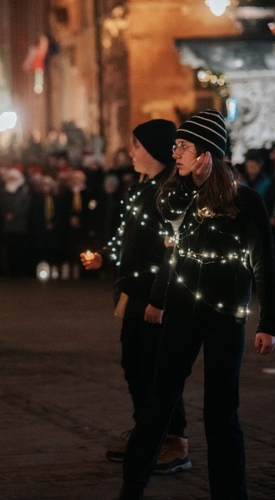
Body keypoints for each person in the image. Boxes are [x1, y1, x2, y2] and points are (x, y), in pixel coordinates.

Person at [119, 109, 275, 499]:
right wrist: (157, 298)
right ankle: (131, 489)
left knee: (222, 415)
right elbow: (169, 250)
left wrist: (269, 321)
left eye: (183, 146)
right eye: (174, 146)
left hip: (225, 319)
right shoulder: (175, 193)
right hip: (182, 314)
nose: (175, 153)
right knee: (158, 404)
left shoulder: (246, 202)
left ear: (206, 153)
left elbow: (265, 264)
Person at [82, 119, 190, 473]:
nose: (131, 153)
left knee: (160, 369)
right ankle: (146, 432)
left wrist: (160, 299)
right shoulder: (136, 188)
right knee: (135, 364)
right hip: (131, 291)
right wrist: (104, 256)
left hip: (156, 297)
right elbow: (122, 237)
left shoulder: (171, 193)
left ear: (156, 151)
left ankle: (174, 442)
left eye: (137, 147)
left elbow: (173, 253)